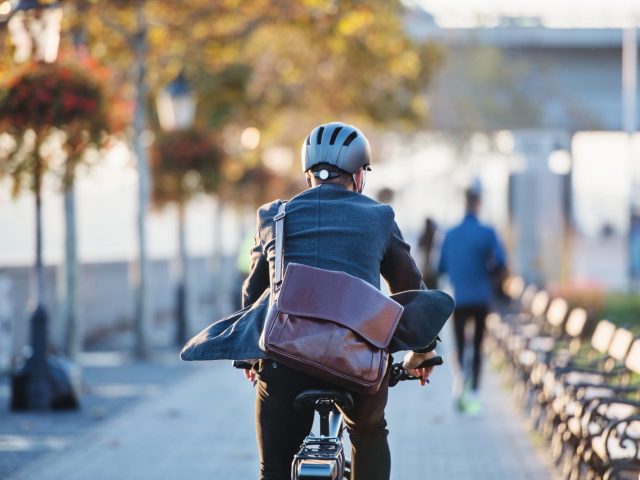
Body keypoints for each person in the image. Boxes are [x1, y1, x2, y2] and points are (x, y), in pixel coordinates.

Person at [240, 122, 442, 480]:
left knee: (273, 467)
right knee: (368, 433)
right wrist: (422, 351)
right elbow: (410, 290)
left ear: (308, 177)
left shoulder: (273, 216)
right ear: (359, 176)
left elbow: (254, 295)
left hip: (285, 360)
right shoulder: (379, 217)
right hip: (358, 360)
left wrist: (249, 356)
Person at [438, 183, 507, 415]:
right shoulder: (488, 233)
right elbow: (500, 262)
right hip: (481, 296)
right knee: (477, 345)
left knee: (458, 343)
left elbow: (442, 266)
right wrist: (487, 273)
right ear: (478, 205)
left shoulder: (451, 234)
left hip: (458, 298)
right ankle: (475, 391)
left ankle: (459, 383)